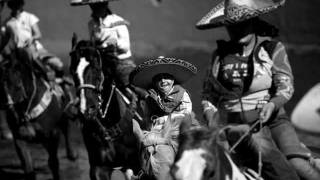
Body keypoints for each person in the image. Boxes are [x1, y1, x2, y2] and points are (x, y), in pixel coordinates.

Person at [197, 0, 320, 180]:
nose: (237, 30)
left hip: (273, 121)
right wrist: (211, 120)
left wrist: (272, 104)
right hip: (235, 126)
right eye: (232, 26)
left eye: (242, 24)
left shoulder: (271, 49)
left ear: (253, 22)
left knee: (296, 164)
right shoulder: (220, 56)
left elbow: (285, 86)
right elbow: (209, 94)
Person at [130, 56, 198, 180]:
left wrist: (167, 122)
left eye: (166, 77)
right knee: (142, 142)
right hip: (156, 129)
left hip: (178, 127)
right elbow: (148, 117)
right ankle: (143, 169)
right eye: (159, 79)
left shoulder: (181, 93)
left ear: (173, 79)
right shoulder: (152, 97)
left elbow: (183, 113)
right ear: (154, 82)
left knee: (189, 145)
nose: (163, 81)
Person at [71, 0, 135, 87]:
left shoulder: (118, 21)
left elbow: (125, 47)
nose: (95, 9)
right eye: (93, 6)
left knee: (127, 84)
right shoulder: (91, 24)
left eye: (98, 6)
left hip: (121, 63)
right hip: (101, 64)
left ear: (105, 6)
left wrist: (115, 43)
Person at [0, 0, 67, 83]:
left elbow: (38, 34)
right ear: (10, 6)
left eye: (18, 4)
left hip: (36, 48)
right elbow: (4, 40)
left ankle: (60, 83)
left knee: (58, 64)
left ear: (21, 5)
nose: (16, 7)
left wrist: (32, 38)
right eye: (14, 5)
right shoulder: (7, 22)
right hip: (20, 52)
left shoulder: (29, 17)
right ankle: (46, 73)